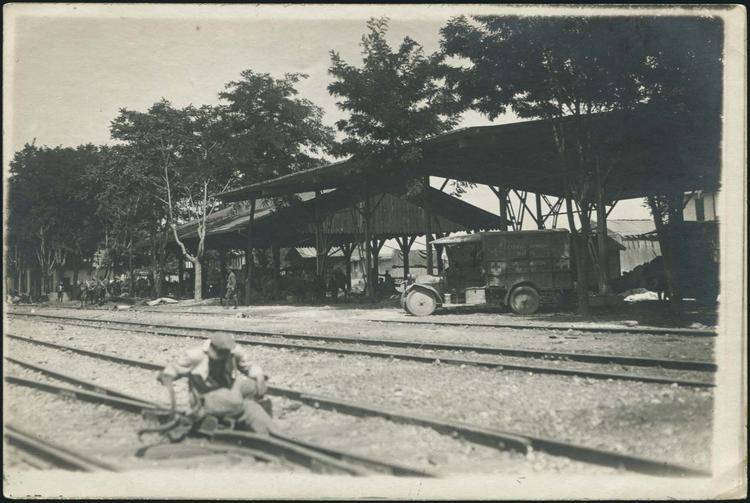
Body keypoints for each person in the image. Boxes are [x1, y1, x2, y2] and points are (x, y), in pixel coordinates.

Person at [157, 333, 273, 435]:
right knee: (237, 402)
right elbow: (174, 368)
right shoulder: (195, 356)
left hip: (226, 388)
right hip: (206, 394)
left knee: (253, 386)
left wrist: (259, 377)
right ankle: (236, 415)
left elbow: (248, 365)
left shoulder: (234, 351)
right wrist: (167, 375)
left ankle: (243, 415)